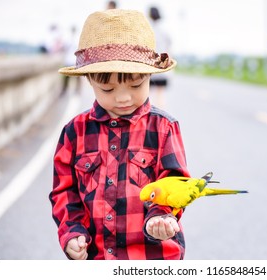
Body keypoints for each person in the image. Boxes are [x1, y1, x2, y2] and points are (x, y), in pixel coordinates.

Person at [49, 9, 190, 260]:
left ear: (150, 76)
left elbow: (175, 182)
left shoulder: (164, 127)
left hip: (153, 257)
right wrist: (72, 233)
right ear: (89, 80)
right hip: (98, 256)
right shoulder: (75, 132)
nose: (123, 98)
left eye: (136, 85)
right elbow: (64, 192)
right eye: (108, 88)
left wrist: (160, 217)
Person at [148, 6, 172, 109]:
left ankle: (150, 116)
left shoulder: (148, 30)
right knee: (160, 94)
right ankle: (161, 117)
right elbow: (169, 48)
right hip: (163, 65)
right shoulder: (164, 30)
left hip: (151, 66)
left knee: (148, 94)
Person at [61, 25, 82, 96]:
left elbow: (63, 48)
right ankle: (77, 90)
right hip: (74, 60)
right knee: (76, 77)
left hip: (69, 60)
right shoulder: (77, 39)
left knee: (67, 77)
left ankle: (66, 90)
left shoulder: (68, 39)